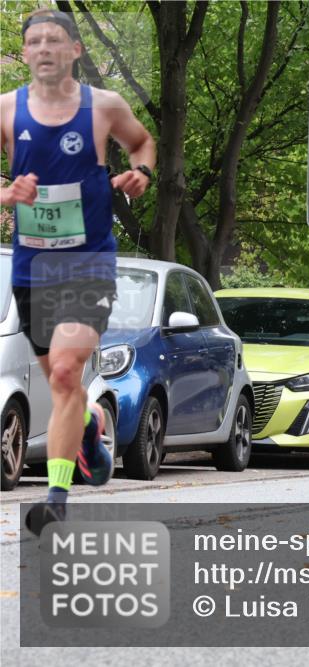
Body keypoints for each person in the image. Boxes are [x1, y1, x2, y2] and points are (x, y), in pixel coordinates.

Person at [1, 9, 155, 534]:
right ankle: (88, 423)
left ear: (75, 50)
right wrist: (7, 193)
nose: (44, 48)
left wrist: (141, 172)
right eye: (35, 41)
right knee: (64, 385)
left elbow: (142, 143)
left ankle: (57, 499)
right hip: (33, 268)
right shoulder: (6, 109)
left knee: (67, 374)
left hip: (90, 263)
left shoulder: (103, 106)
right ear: (25, 52)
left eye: (54, 40)